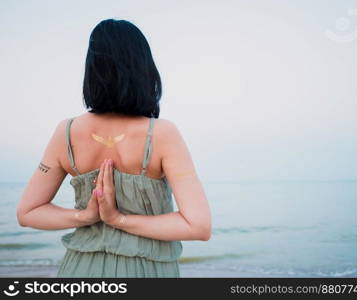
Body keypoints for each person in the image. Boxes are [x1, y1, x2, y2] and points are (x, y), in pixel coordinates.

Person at [16, 19, 212, 278]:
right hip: (149, 270)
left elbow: (28, 212)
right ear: (144, 68)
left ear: (92, 69)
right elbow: (198, 226)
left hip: (79, 272)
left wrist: (85, 216)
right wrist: (118, 219)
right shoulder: (162, 134)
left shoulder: (66, 132)